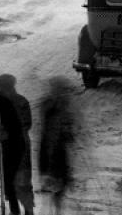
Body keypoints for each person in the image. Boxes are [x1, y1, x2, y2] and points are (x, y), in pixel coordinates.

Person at [0, 73, 35, 215]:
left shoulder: (21, 101)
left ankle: (29, 211)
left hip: (20, 146)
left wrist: (10, 130)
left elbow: (27, 123)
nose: (3, 89)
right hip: (3, 147)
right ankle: (14, 210)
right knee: (8, 181)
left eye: (5, 86)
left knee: (23, 181)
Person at [37, 77, 76, 212]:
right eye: (60, 90)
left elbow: (68, 134)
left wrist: (68, 133)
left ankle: (57, 210)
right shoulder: (48, 105)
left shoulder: (63, 107)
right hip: (49, 152)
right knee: (51, 188)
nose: (62, 93)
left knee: (59, 190)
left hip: (59, 153)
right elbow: (48, 127)